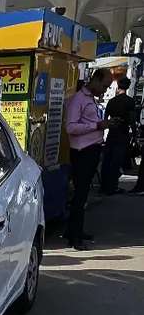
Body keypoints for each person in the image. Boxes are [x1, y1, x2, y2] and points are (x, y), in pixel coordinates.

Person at [64, 68, 112, 250]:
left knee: (83, 196)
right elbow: (71, 127)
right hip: (82, 152)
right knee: (80, 196)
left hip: (92, 150)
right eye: (105, 86)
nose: (105, 90)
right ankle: (74, 238)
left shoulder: (90, 99)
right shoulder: (78, 99)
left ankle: (75, 231)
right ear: (96, 80)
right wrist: (97, 125)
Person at [101, 76, 136, 194]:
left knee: (107, 160)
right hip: (123, 133)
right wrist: (135, 135)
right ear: (128, 86)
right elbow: (132, 120)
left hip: (112, 133)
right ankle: (112, 186)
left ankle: (104, 186)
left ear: (118, 86)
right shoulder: (130, 101)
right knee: (116, 161)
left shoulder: (111, 101)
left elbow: (105, 118)